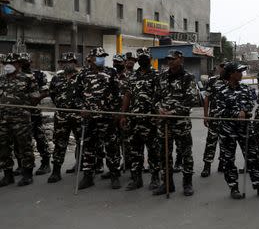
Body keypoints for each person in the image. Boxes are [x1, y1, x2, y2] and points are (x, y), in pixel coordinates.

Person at [216, 62, 259, 200]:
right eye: (239, 71)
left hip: (245, 128)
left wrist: (244, 111)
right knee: (228, 159)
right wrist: (236, 113)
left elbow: (251, 104)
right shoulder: (221, 91)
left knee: (252, 157)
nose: (241, 74)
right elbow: (219, 111)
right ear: (231, 74)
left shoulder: (246, 89)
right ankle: (234, 188)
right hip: (227, 130)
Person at [153, 50, 198, 196]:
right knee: (164, 154)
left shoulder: (188, 77)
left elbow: (191, 100)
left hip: (181, 123)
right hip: (164, 123)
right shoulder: (162, 76)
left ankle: (187, 183)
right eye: (168, 59)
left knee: (186, 154)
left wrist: (173, 113)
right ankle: (167, 183)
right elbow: (156, 97)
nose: (170, 61)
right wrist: (159, 109)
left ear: (181, 59)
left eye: (173, 59)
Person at [75, 47, 120, 190]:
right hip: (89, 118)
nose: (102, 59)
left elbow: (118, 94)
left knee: (111, 147)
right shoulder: (83, 75)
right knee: (88, 147)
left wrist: (115, 111)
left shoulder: (111, 73)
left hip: (107, 117)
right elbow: (76, 96)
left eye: (103, 56)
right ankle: (88, 176)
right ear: (91, 59)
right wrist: (82, 108)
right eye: (99, 57)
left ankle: (114, 175)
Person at [119, 48, 161, 191]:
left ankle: (155, 178)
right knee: (135, 152)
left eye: (146, 57)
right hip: (134, 120)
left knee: (153, 151)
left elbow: (162, 96)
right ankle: (136, 179)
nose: (143, 59)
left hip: (151, 121)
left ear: (150, 58)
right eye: (141, 57)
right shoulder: (132, 76)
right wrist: (123, 115)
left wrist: (159, 114)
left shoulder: (157, 75)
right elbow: (127, 96)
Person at [0, 53, 40, 187]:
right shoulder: (2, 79)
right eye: (5, 63)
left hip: (21, 119)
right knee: (4, 148)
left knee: (24, 147)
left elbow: (35, 98)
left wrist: (25, 108)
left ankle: (27, 174)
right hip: (3, 119)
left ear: (18, 64)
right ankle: (8, 175)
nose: (7, 66)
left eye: (10, 63)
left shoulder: (28, 78)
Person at [47, 52, 83, 183]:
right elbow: (52, 94)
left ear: (75, 63)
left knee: (82, 142)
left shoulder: (81, 77)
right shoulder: (57, 78)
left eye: (71, 62)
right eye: (66, 62)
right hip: (61, 116)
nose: (68, 64)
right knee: (60, 143)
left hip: (78, 116)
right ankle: (56, 171)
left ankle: (82, 167)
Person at [18, 53, 52, 176]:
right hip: (19, 114)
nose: (22, 63)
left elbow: (45, 91)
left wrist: (33, 100)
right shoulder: (15, 76)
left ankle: (45, 163)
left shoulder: (38, 75)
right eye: (20, 61)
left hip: (33, 111)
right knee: (20, 139)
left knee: (39, 137)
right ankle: (21, 165)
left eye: (25, 61)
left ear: (30, 61)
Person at [200, 61, 227, 177]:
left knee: (225, 142)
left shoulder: (232, 81)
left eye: (226, 67)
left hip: (227, 118)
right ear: (219, 68)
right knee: (211, 142)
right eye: (222, 67)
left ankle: (222, 164)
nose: (224, 69)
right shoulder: (212, 80)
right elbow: (207, 99)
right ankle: (207, 166)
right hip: (214, 117)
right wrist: (206, 115)